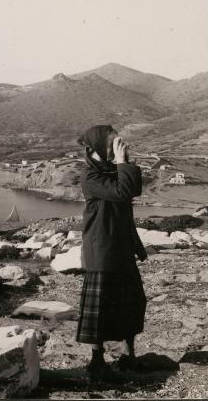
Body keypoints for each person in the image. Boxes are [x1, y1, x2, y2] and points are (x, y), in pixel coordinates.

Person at [76, 124, 147, 379]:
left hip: (121, 246)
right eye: (110, 144)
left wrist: (123, 162)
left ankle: (129, 355)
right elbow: (123, 191)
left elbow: (134, 189)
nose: (116, 146)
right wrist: (120, 162)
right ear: (96, 147)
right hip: (102, 249)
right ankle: (97, 360)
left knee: (131, 303)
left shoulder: (111, 169)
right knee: (100, 309)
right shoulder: (90, 176)